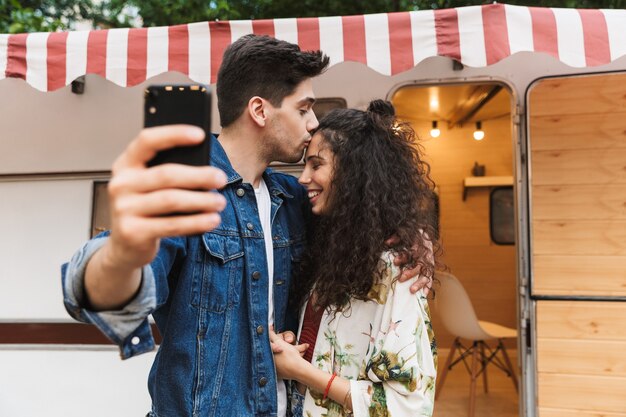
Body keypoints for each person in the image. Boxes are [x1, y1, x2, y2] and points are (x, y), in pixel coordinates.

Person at [61, 35, 431, 417]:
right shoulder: (185, 189)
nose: (313, 123)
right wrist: (119, 256)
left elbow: (364, 226)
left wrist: (411, 238)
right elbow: (100, 294)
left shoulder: (293, 200)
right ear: (259, 110)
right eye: (304, 109)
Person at [270, 100, 438, 417]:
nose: (303, 178)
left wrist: (299, 371)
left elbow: (408, 406)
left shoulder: (394, 268)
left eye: (316, 165)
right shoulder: (334, 248)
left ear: (352, 173)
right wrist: (294, 343)